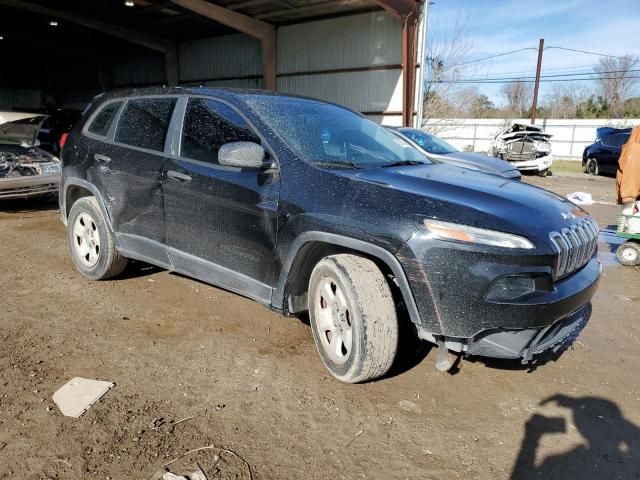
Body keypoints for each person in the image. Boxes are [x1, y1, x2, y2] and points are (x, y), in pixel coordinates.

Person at [617, 125, 640, 215]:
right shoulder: (635, 147)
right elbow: (630, 170)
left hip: (630, 190)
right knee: (628, 217)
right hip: (630, 191)